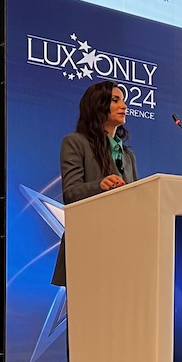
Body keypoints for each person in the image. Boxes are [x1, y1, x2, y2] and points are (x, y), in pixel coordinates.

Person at [52, 82, 138, 286]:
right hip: (88, 246)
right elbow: (71, 194)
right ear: (98, 105)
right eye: (115, 100)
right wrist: (101, 185)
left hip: (123, 249)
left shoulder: (128, 155)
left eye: (123, 100)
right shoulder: (75, 142)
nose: (124, 106)